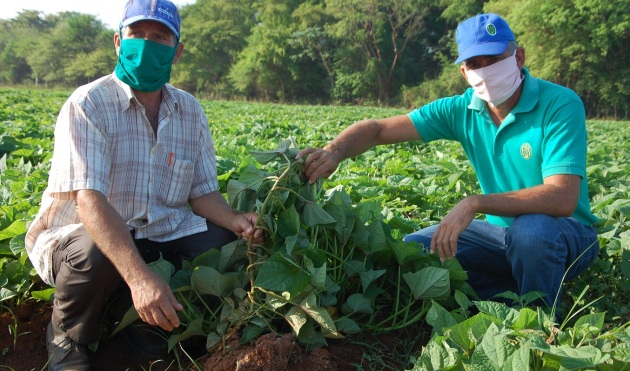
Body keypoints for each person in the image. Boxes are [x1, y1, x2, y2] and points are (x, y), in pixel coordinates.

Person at [298, 14, 599, 312]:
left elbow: (562, 197)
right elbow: (377, 129)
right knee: (415, 250)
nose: (485, 71)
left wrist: (475, 203)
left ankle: (539, 321)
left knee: (530, 233)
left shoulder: (559, 103)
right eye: (474, 65)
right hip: (501, 237)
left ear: (518, 57)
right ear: (464, 74)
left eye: (493, 60)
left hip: (565, 233)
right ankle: (505, 298)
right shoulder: (462, 109)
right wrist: (334, 151)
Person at [24, 0, 263, 369]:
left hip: (155, 236)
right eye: (136, 34)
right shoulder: (89, 103)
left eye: (159, 37)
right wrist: (140, 280)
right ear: (119, 42)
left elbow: (202, 193)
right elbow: (89, 201)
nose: (146, 44)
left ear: (177, 51)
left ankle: (141, 322)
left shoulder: (189, 110)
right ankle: (71, 338)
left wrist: (235, 221)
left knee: (220, 241)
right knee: (95, 250)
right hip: (81, 237)